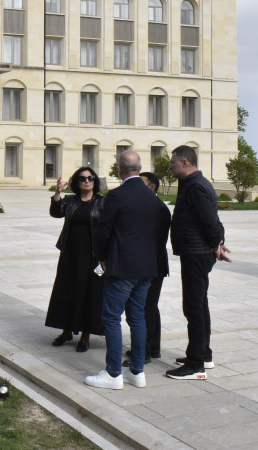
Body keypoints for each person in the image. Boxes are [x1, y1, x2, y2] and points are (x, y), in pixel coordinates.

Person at [85, 151, 171, 390]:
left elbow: (103, 230)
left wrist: (102, 256)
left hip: (122, 268)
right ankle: (137, 371)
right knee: (137, 317)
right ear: (139, 168)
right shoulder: (155, 200)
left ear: (119, 170)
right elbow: (163, 230)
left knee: (111, 317)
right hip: (147, 269)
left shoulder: (117, 196)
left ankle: (113, 374)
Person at [166, 145, 232, 380]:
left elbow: (209, 221)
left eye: (173, 162)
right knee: (199, 305)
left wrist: (217, 244)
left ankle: (195, 365)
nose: (170, 166)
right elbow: (213, 218)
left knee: (193, 307)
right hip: (196, 251)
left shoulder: (195, 186)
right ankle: (203, 354)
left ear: (185, 162)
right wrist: (218, 242)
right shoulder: (194, 183)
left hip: (196, 253)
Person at [46, 166, 105, 353]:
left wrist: (106, 257)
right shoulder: (71, 201)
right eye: (82, 179)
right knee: (67, 290)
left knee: (89, 293)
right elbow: (56, 212)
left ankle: (86, 335)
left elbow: (108, 229)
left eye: (90, 178)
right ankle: (66, 331)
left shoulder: (102, 202)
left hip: (93, 255)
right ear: (76, 183)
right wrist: (57, 193)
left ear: (95, 181)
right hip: (70, 253)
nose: (86, 181)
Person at [124, 172, 170, 367]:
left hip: (151, 265)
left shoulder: (158, 208)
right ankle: (152, 347)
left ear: (151, 187)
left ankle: (143, 353)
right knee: (149, 306)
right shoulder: (153, 206)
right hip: (150, 263)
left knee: (143, 307)